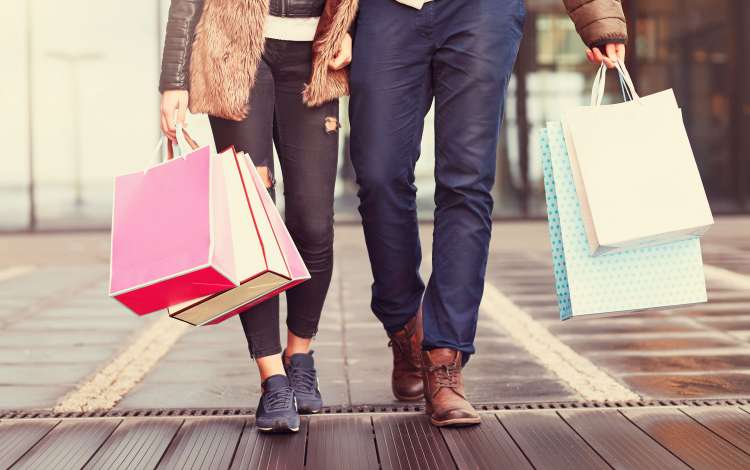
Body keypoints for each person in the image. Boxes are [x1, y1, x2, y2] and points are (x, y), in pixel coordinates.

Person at [348, 0, 627, 427]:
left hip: (480, 12)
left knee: (466, 183)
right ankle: (405, 324)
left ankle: (444, 357)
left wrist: (601, 20)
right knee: (378, 175)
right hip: (389, 11)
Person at [158, 0, 356, 433]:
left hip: (316, 55)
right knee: (251, 219)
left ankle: (299, 354)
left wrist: (350, 28)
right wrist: (173, 79)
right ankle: (273, 377)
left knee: (313, 220)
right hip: (235, 50)